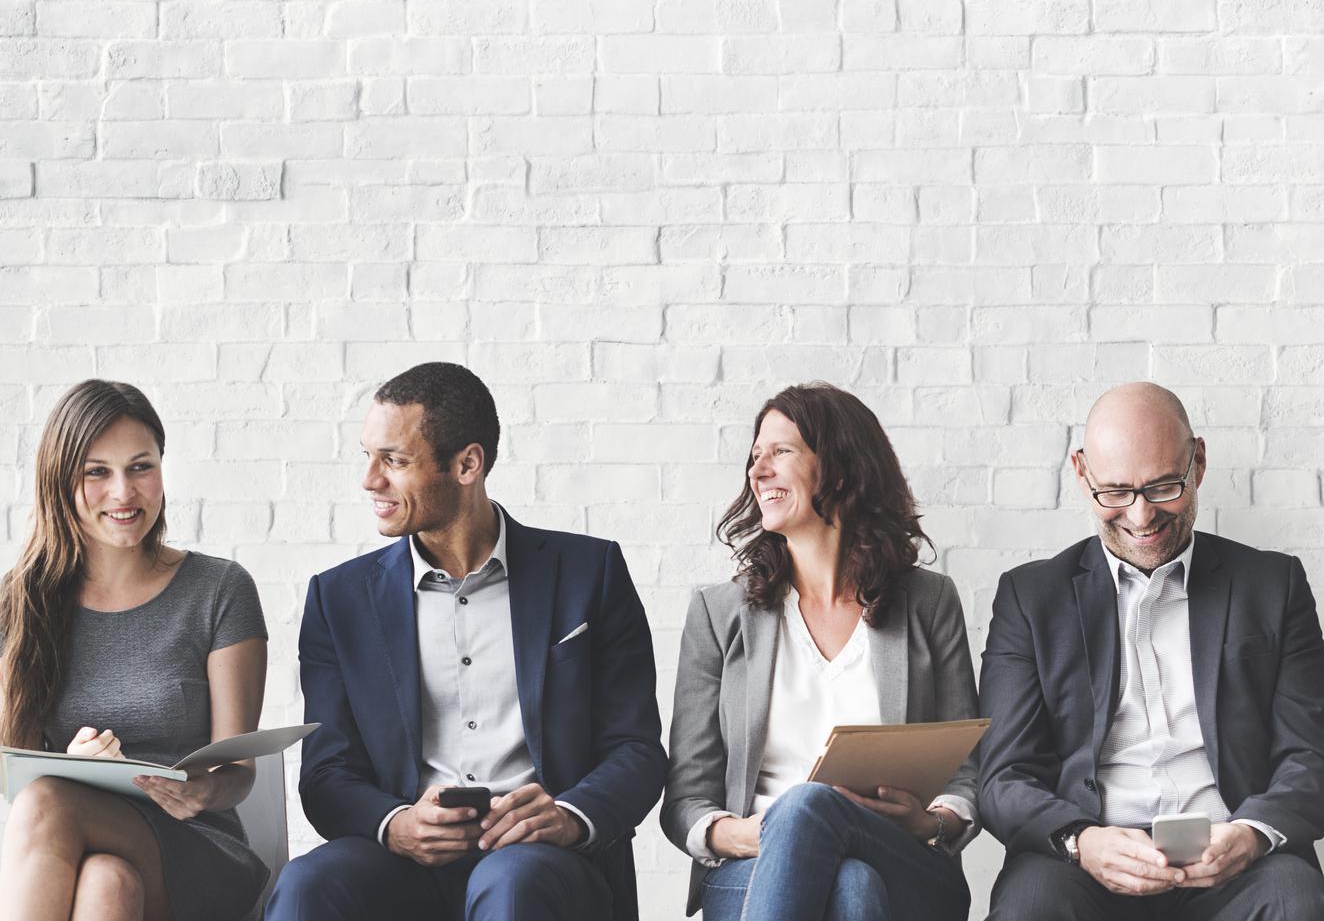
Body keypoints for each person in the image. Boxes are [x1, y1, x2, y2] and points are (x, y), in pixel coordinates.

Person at [264, 362, 666, 921]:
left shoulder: (588, 573)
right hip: (404, 862)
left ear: (466, 464)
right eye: (369, 456)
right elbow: (327, 773)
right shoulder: (339, 599)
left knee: (513, 882)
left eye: (395, 461)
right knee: (309, 884)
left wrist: (570, 815)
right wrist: (397, 825)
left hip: (540, 861)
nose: (370, 481)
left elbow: (637, 748)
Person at [976, 381, 1324, 921]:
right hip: (1083, 862)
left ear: (1197, 462)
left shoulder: (1273, 584)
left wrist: (1250, 835)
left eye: (1163, 487)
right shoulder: (1031, 597)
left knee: (1301, 907)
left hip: (1236, 858)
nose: (1142, 516)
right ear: (1081, 472)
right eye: (1116, 492)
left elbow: (1312, 758)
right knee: (1028, 908)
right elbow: (1003, 775)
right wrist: (1082, 840)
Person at [661, 383, 979, 921]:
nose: (758, 470)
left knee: (815, 813)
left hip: (902, 860)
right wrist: (755, 833)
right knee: (849, 884)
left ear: (837, 468)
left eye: (780, 452)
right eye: (755, 455)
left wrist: (931, 822)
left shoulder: (928, 602)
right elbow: (686, 798)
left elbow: (967, 771)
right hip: (754, 865)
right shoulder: (719, 615)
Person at [0, 379, 271, 921]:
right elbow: (12, 769)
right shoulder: (21, 600)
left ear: (162, 470)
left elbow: (238, 768)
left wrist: (202, 792)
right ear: (60, 483)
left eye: (140, 467)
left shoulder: (219, 589)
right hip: (77, 846)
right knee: (106, 884)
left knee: (47, 800)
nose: (124, 493)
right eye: (97, 472)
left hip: (196, 844)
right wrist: (69, 768)